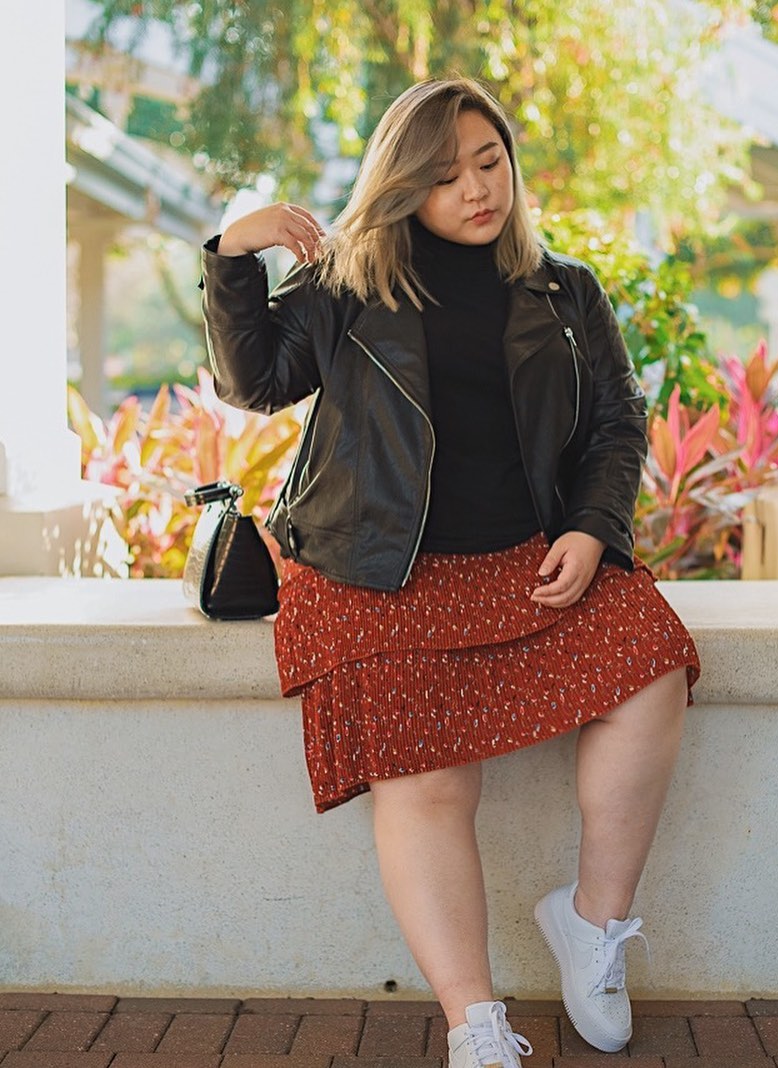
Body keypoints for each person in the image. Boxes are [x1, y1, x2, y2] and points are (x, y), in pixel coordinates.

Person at [200, 77, 700, 1068]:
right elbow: (253, 383)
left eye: (488, 162)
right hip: (374, 568)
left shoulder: (564, 290)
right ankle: (473, 1020)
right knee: (426, 780)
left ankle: (592, 925)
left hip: (525, 560)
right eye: (443, 175)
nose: (476, 189)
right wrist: (232, 255)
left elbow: (614, 424)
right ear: (402, 187)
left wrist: (593, 529)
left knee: (651, 663)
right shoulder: (348, 284)